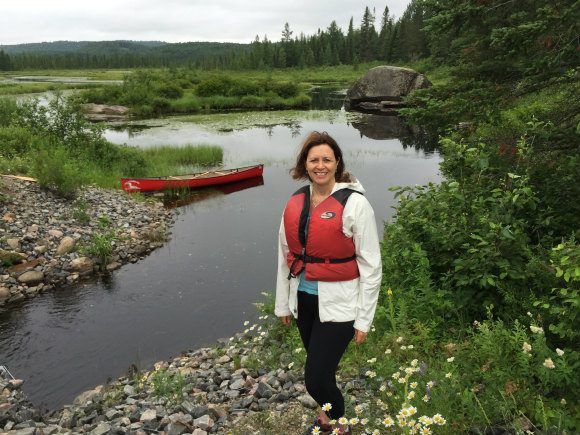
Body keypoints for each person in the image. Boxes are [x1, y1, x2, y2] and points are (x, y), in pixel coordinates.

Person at [275, 131, 382, 434]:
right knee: (322, 368)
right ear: (304, 164)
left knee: (316, 378)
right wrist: (283, 302)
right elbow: (283, 253)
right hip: (305, 300)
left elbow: (371, 266)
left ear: (337, 163)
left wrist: (364, 320)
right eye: (313, 160)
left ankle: (337, 425)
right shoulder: (296, 201)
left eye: (326, 159)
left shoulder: (356, 204)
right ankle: (326, 417)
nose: (320, 165)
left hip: (341, 304)